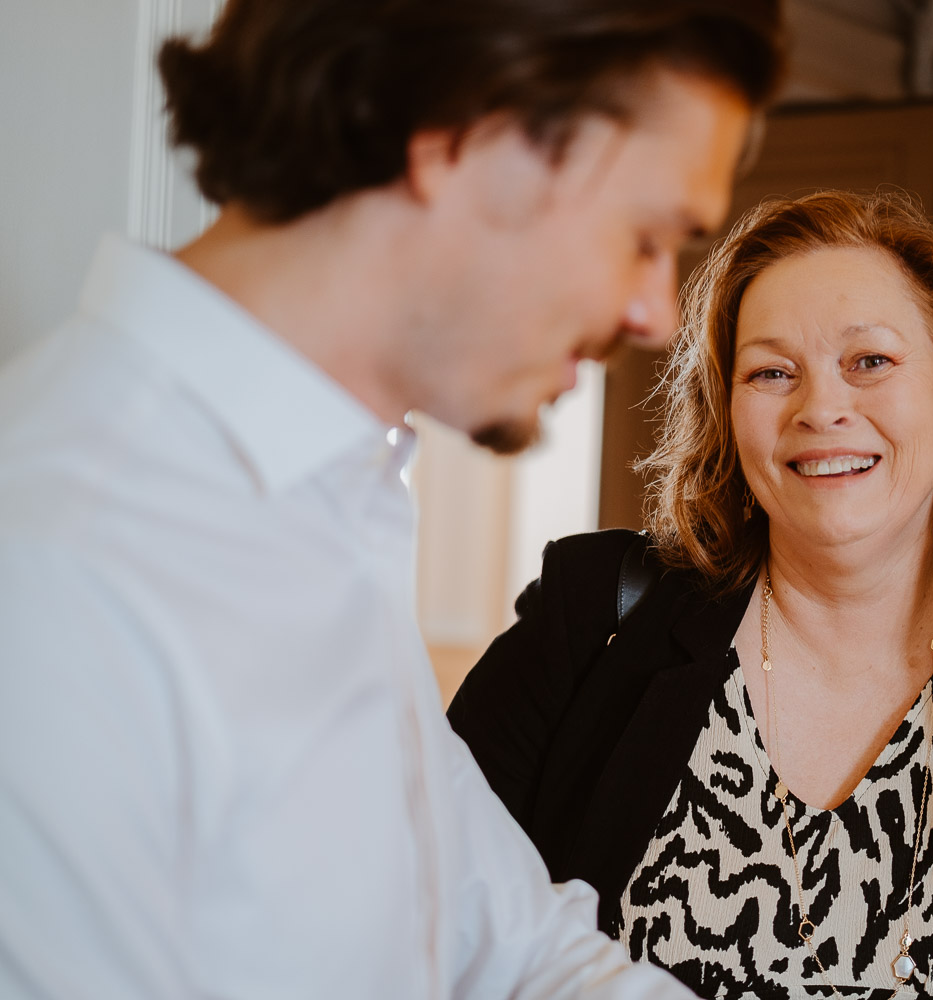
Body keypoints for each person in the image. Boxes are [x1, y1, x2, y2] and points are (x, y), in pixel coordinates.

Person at [0, 1, 782, 997]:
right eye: (645, 234)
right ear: (464, 134)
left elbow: (516, 947)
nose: (653, 313)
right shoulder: (61, 570)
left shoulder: (327, 509)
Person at [448, 189, 933, 998]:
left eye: (870, 362)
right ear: (726, 415)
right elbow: (417, 901)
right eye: (771, 372)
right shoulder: (592, 615)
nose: (821, 408)